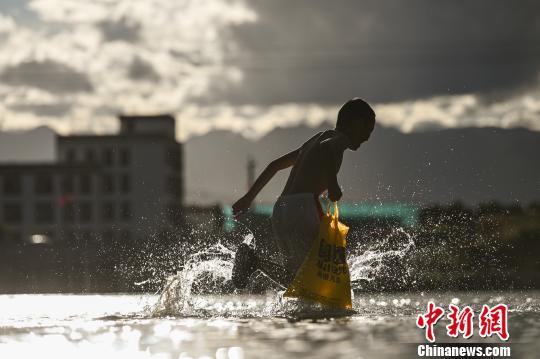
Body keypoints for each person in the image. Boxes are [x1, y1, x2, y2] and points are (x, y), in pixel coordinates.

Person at [231, 98, 376, 289]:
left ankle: (254, 262)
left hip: (281, 209)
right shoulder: (338, 140)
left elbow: (274, 166)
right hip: (302, 208)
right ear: (357, 123)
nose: (367, 137)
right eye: (368, 129)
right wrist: (333, 184)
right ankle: (253, 262)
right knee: (315, 277)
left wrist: (248, 198)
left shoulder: (314, 141)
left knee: (300, 281)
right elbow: (327, 149)